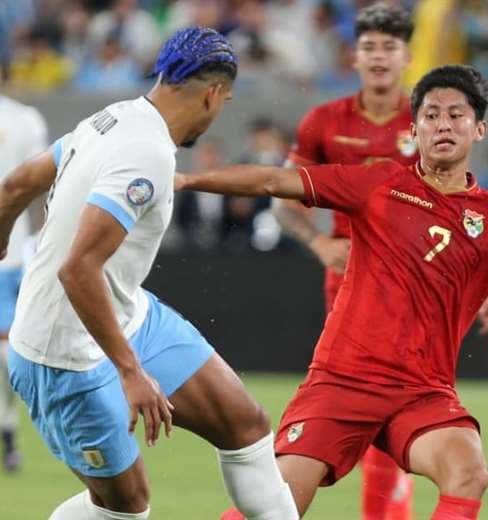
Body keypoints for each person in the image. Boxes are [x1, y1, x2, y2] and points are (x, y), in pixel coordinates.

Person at [178, 64, 488, 520]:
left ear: (479, 130)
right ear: (416, 130)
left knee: (469, 470)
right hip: (344, 383)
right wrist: (187, 178)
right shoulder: (378, 183)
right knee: (275, 505)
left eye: (456, 115)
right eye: (431, 115)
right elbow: (271, 180)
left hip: (421, 394)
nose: (443, 124)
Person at [0, 27, 299, 520]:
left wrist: (4, 230)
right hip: (61, 354)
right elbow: (78, 269)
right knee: (127, 507)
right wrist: (130, 371)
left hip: (127, 316)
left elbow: (17, 184)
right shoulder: (149, 154)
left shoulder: (111, 117)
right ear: (212, 95)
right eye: (224, 102)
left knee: (245, 424)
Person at [264, 4, 488, 519]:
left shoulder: (427, 119)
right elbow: (282, 201)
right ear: (355, 55)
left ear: (406, 57)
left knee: (403, 420)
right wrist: (320, 245)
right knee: (364, 414)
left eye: (389, 47)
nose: (378, 57)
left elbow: (465, 213)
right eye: (369, 46)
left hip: (421, 293)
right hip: (351, 289)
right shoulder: (323, 122)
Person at [0, 83, 49, 472]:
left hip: (11, 256)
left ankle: (9, 431)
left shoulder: (23, 118)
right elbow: (41, 187)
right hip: (14, 253)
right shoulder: (24, 119)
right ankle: (9, 432)